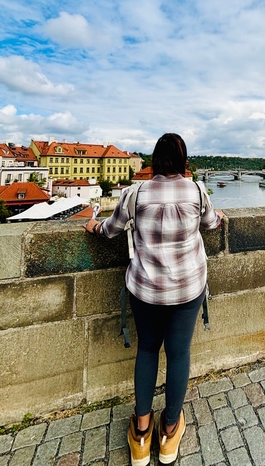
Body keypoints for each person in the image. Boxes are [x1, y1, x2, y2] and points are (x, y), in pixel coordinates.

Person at [84, 133, 223, 465]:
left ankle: (142, 434)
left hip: (145, 289)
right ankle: (170, 431)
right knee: (178, 355)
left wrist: (91, 226)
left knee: (147, 350)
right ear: (183, 160)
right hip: (187, 289)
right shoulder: (197, 191)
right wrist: (221, 220)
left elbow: (109, 230)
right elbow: (213, 223)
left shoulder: (135, 193)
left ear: (155, 160)